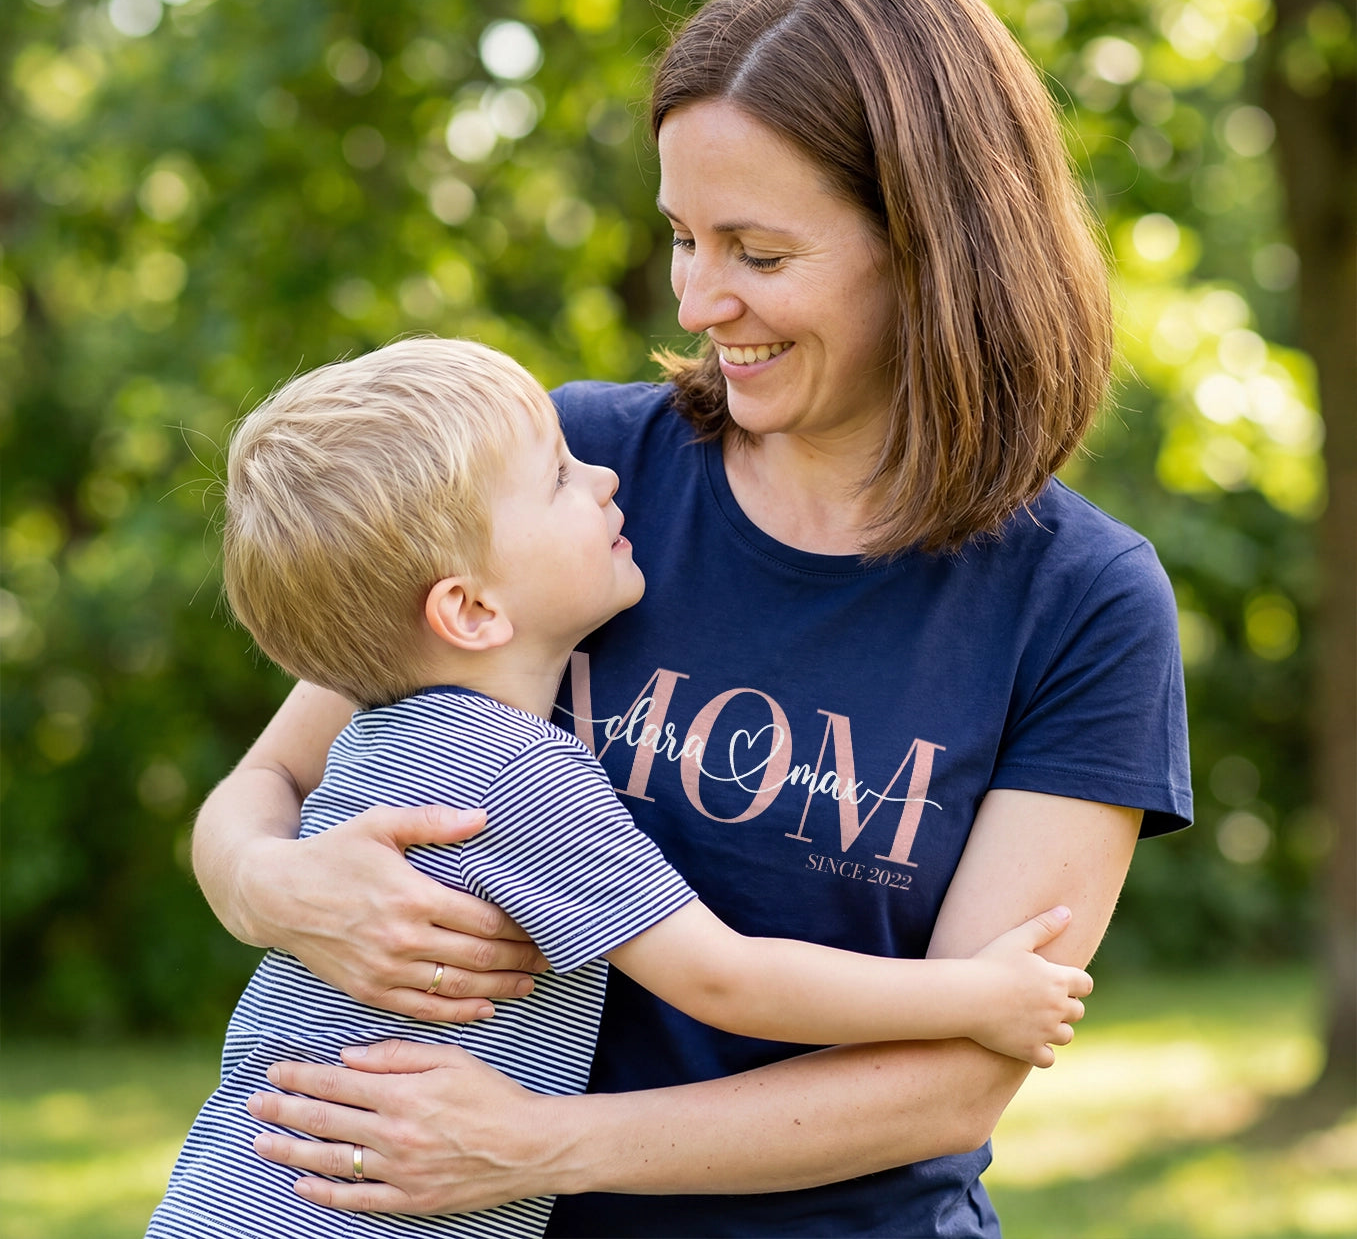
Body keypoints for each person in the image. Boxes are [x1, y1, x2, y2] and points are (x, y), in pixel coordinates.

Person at [191, 0, 1191, 1239]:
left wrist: (537, 1146)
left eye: (758, 253)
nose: (699, 298)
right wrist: (275, 888)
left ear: (933, 251)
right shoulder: (568, 484)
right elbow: (268, 782)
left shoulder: (1082, 600)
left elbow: (958, 1076)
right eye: (680, 236)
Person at [149, 336, 1093, 1239]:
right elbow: (724, 977)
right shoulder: (518, 774)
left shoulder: (375, 737)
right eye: (560, 479)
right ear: (469, 608)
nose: (603, 477)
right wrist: (976, 995)